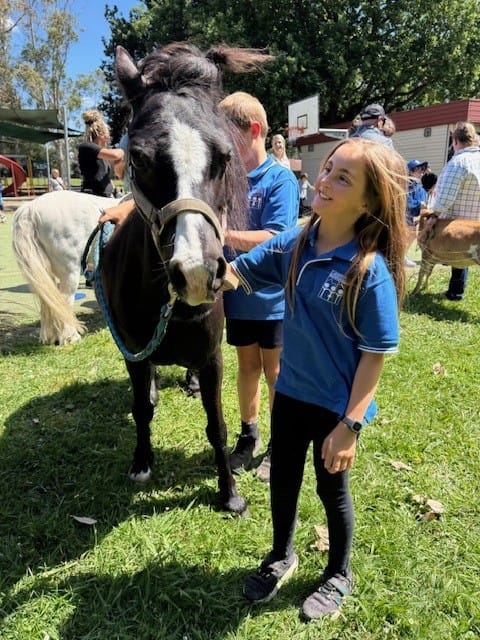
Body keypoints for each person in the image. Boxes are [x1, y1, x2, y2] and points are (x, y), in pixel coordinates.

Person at [223, 137, 407, 620]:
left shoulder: (368, 270)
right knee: (283, 480)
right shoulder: (297, 241)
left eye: (343, 178)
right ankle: (281, 555)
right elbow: (238, 271)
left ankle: (339, 573)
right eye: (327, 169)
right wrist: (204, 273)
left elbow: (374, 357)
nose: (324, 180)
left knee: (332, 491)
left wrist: (350, 425)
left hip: (335, 409)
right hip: (290, 394)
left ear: (368, 202)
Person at [220, 92, 299, 481]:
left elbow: (277, 238)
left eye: (226, 134)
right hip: (236, 295)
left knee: (275, 372)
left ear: (253, 131)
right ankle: (249, 435)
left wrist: (223, 234)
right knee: (247, 366)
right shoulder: (226, 178)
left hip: (272, 299)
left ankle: (281, 444)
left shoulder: (280, 179)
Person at [432, 121, 480, 300]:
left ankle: (455, 292)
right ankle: (456, 291)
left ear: (455, 141)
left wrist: (434, 214)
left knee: (457, 255)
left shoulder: (458, 162)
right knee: (464, 258)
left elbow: (446, 197)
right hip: (476, 221)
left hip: (458, 224)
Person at [78, 109, 124, 198]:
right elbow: (116, 155)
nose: (109, 136)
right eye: (108, 133)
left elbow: (104, 176)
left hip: (104, 196)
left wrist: (112, 190)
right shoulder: (86, 146)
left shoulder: (102, 154)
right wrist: (125, 148)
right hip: (92, 195)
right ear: (101, 134)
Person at [405, 159, 428, 266]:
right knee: (406, 235)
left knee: (413, 235)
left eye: (422, 169)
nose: (421, 172)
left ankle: (403, 255)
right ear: (410, 171)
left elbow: (423, 200)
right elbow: (407, 202)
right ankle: (400, 257)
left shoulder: (419, 187)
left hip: (415, 216)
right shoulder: (406, 185)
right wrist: (420, 205)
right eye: (418, 169)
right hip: (405, 215)